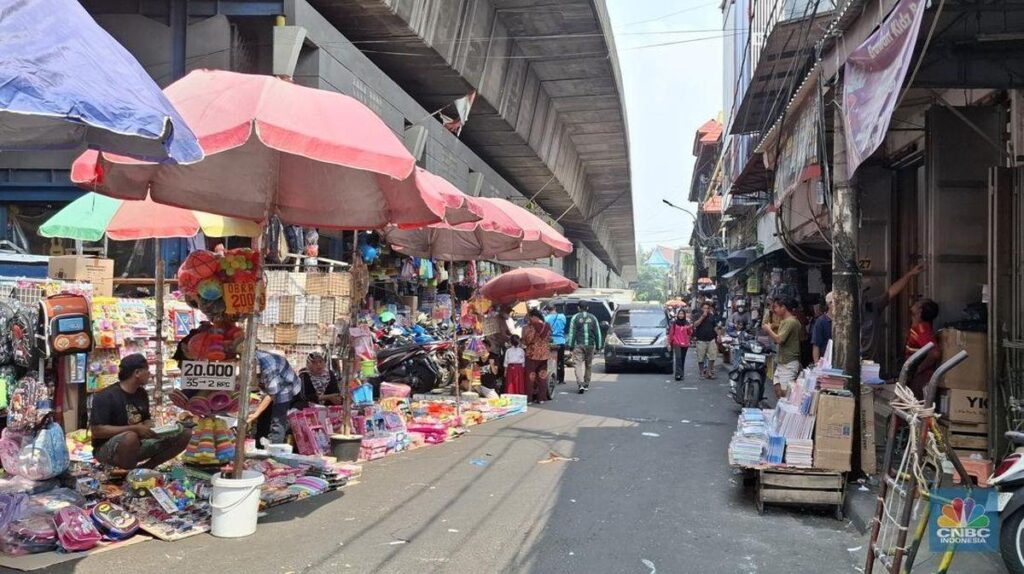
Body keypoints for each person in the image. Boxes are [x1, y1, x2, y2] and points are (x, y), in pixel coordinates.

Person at [90, 354, 191, 469]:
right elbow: (97, 431)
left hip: (139, 443)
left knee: (185, 434)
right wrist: (135, 429)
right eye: (147, 370)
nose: (150, 373)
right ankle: (127, 473)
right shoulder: (106, 396)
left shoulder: (141, 393)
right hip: (108, 450)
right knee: (130, 437)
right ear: (137, 373)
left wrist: (151, 427)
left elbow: (146, 419)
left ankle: (145, 469)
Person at [862, 263, 926, 358]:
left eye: (864, 292)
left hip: (869, 361)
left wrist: (910, 274)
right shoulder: (844, 313)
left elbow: (892, 291)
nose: (864, 295)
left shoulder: (873, 306)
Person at [249, 351, 302, 445]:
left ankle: (274, 448)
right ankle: (260, 446)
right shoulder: (250, 356)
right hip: (269, 387)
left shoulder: (268, 366)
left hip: (286, 387)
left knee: (278, 421)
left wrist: (255, 414)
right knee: (263, 417)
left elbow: (271, 394)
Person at [762, 298, 802, 399]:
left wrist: (769, 329)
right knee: (778, 390)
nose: (774, 310)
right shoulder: (785, 321)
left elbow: (779, 340)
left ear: (783, 307)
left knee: (785, 394)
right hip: (782, 362)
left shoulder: (790, 322)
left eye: (776, 307)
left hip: (788, 363)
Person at [906, 298, 941, 399]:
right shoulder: (918, 327)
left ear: (920, 310)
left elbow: (935, 353)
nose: (914, 303)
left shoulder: (922, 329)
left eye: (917, 302)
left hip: (921, 378)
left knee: (916, 404)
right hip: (917, 376)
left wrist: (918, 369)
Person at [566, 302, 602, 394]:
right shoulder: (593, 318)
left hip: (579, 345)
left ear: (578, 308)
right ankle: (586, 384)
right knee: (588, 365)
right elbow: (597, 333)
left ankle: (580, 384)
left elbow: (572, 333)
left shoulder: (575, 317)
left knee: (578, 365)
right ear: (588, 307)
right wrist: (599, 346)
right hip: (590, 345)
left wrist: (571, 346)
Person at [522, 309, 553, 404]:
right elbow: (550, 338)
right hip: (544, 355)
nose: (528, 319)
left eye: (529, 317)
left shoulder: (529, 327)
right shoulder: (547, 325)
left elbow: (527, 340)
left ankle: (529, 399)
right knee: (542, 376)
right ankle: (541, 398)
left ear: (533, 317)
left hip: (532, 355)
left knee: (530, 377)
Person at [692, 302, 721, 379]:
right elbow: (695, 325)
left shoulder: (711, 316)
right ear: (701, 308)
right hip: (701, 340)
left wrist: (719, 336)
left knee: (712, 356)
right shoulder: (697, 315)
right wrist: (702, 317)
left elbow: (715, 327)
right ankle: (701, 372)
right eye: (704, 308)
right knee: (701, 357)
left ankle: (709, 371)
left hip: (711, 339)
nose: (706, 310)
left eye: (707, 308)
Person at [544, 304, 568, 385]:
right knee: (561, 361)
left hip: (551, 342)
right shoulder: (562, 317)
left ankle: (552, 377)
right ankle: (561, 379)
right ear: (555, 308)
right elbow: (564, 326)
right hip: (561, 341)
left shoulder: (546, 318)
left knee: (551, 361)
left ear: (547, 310)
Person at [667, 309, 693, 381]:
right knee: (678, 358)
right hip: (676, 343)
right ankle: (678, 374)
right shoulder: (674, 323)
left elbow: (690, 333)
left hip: (685, 343)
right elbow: (671, 334)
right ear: (677, 315)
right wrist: (669, 343)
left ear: (684, 315)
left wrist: (690, 328)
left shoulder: (687, 323)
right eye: (680, 314)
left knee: (682, 359)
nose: (681, 315)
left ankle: (681, 374)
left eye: (682, 314)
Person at [811, 292, 834, 364]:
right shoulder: (821, 321)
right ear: (829, 304)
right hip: (826, 362)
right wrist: (817, 364)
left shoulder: (843, 321)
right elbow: (816, 345)